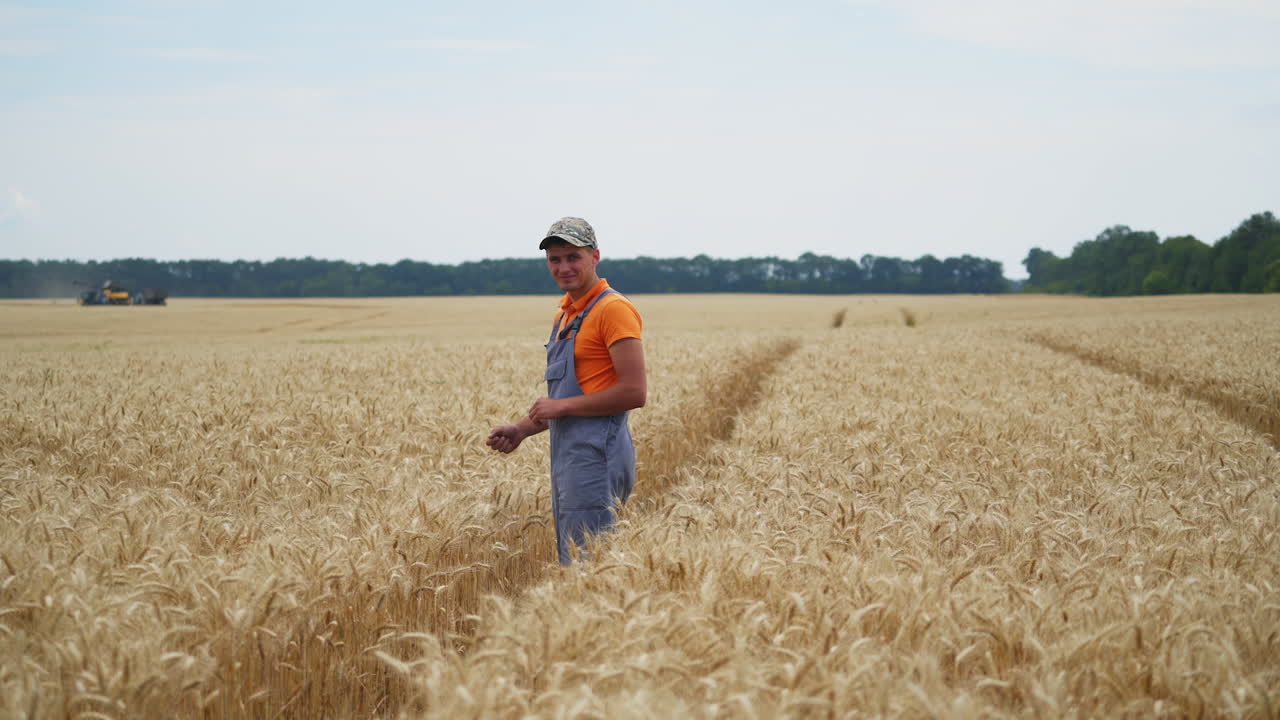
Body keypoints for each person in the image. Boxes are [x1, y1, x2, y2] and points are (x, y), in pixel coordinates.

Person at [486, 217, 646, 565]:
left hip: (598, 457)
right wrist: (521, 429)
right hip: (571, 457)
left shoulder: (612, 309)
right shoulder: (567, 314)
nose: (563, 267)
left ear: (595, 256)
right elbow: (567, 401)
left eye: (573, 257)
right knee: (575, 560)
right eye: (555, 259)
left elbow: (634, 392)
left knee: (590, 564)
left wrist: (561, 408)